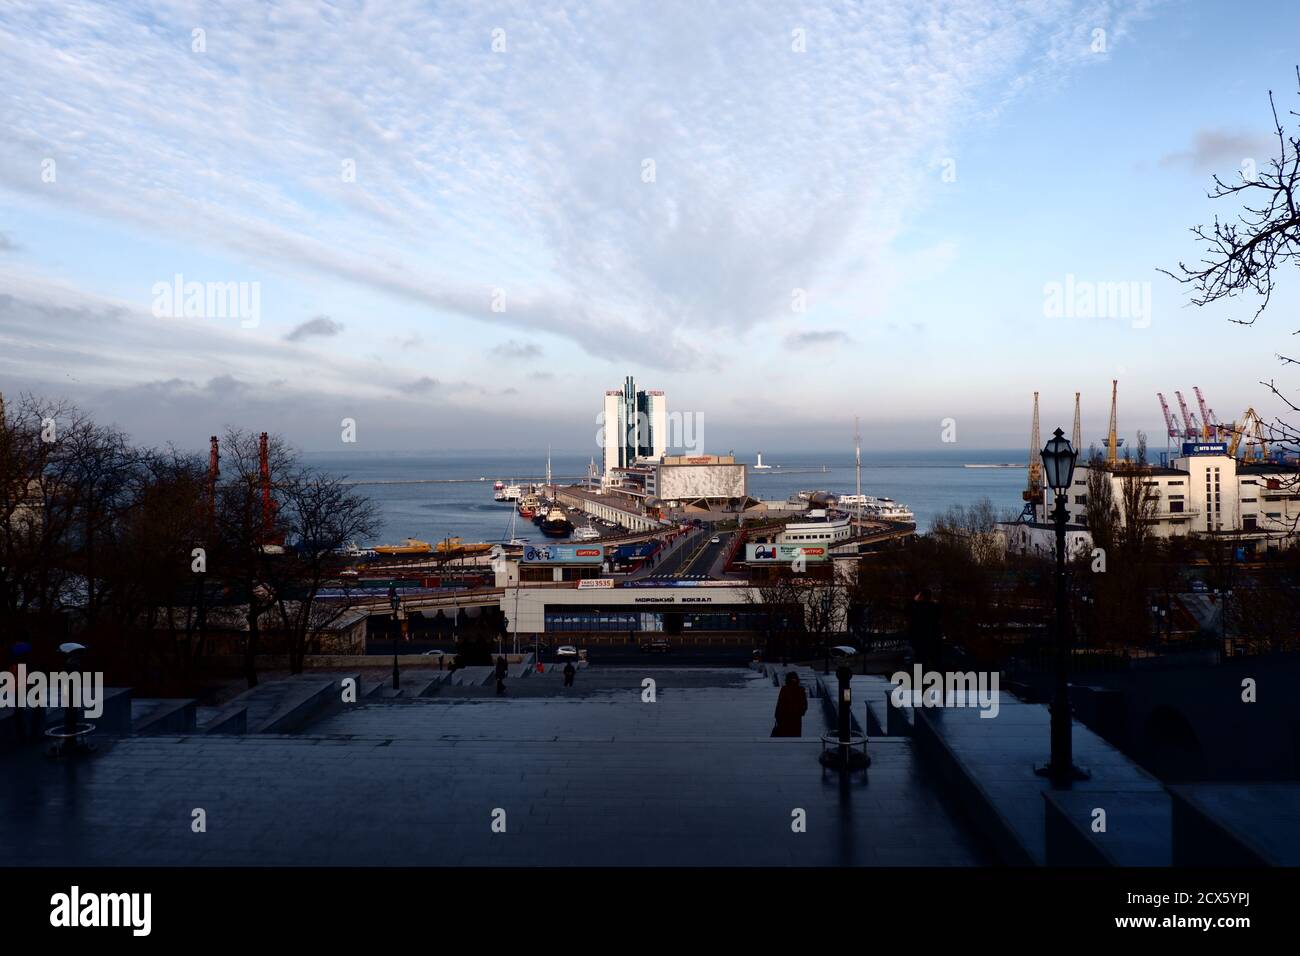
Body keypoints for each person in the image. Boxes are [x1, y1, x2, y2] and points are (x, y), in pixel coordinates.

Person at [771, 672, 808, 737]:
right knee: (795, 735)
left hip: (785, 717)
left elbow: (780, 703)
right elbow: (804, 704)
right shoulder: (800, 690)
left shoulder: (784, 689)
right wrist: (801, 712)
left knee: (785, 735)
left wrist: (777, 715)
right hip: (796, 717)